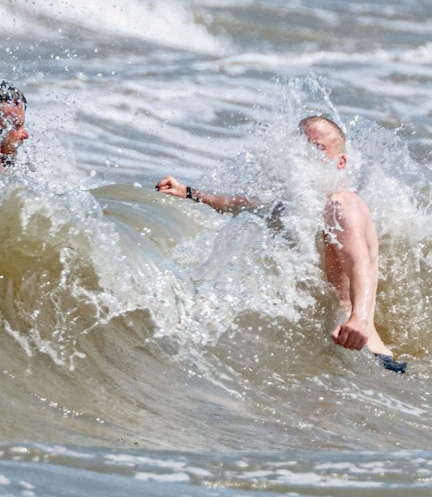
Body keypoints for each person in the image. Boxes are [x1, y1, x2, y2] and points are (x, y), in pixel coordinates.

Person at [155, 116, 406, 373]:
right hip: (335, 348)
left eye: (317, 149)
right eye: (301, 148)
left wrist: (360, 318)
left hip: (365, 354)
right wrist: (188, 192)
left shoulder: (341, 204)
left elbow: (359, 263)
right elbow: (235, 204)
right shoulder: (297, 204)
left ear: (340, 162)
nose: (306, 158)